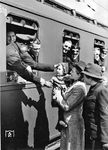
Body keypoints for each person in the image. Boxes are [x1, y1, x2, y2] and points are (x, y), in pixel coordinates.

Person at [53, 61, 87, 150]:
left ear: (79, 75)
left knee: (72, 147)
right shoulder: (75, 84)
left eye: (72, 71)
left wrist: (58, 95)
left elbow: (66, 106)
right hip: (68, 122)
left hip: (73, 124)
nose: (70, 72)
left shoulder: (79, 88)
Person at [82, 63, 108, 150]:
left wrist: (105, 140)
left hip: (97, 136)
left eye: (85, 75)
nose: (83, 77)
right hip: (90, 132)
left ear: (90, 77)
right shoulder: (93, 89)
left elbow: (104, 115)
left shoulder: (101, 90)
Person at [43, 63, 69, 131]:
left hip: (65, 97)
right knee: (60, 110)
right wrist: (44, 82)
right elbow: (49, 84)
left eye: (59, 69)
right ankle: (61, 122)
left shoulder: (67, 78)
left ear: (64, 70)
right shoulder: (54, 78)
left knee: (64, 110)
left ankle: (62, 123)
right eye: (57, 69)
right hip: (57, 97)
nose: (57, 70)